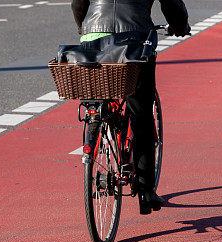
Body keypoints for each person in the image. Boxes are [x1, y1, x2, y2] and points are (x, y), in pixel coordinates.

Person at [71, 0, 191, 215]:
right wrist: (180, 27)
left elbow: (78, 3)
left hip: (93, 37)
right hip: (135, 40)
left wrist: (84, 28)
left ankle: (99, 122)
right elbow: (172, 5)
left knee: (99, 97)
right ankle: (145, 191)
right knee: (141, 113)